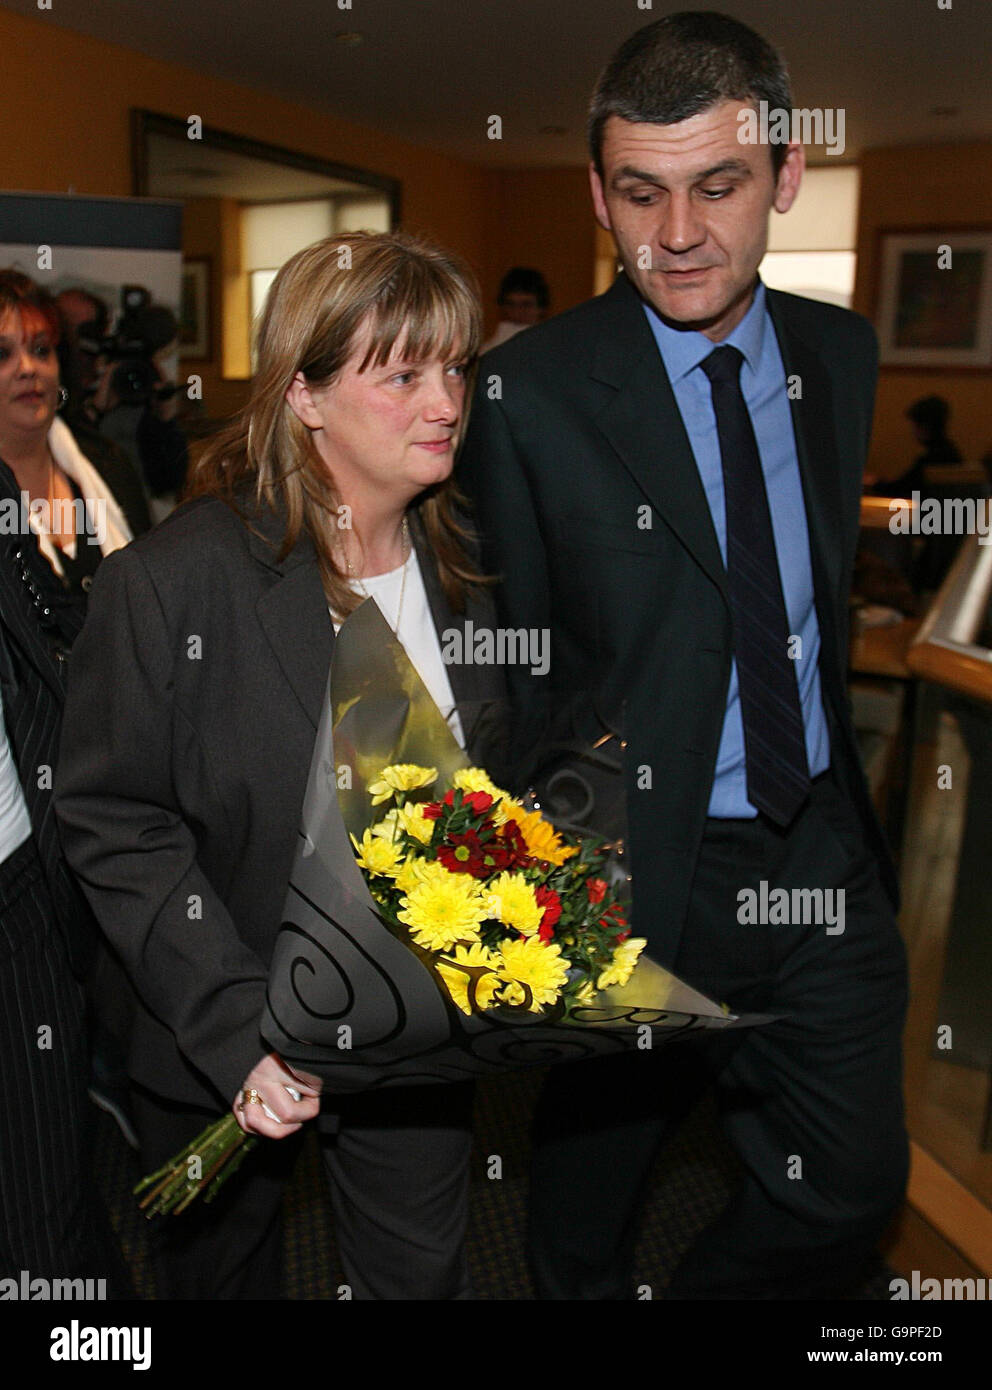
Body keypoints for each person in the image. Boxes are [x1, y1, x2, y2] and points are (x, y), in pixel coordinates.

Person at [459, 11, 908, 1300]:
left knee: (853, 1184)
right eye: (641, 193)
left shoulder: (839, 352)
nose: (677, 234)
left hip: (819, 848)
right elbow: (517, 666)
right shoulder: (528, 393)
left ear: (784, 176)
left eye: (718, 186)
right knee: (582, 1222)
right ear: (597, 194)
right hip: (638, 874)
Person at [55, 231, 506, 1300]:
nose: (445, 402)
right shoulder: (174, 584)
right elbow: (118, 820)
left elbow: (476, 793)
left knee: (418, 1278)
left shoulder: (466, 569)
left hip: (414, 1034)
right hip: (222, 1033)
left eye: (455, 368)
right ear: (303, 394)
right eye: (402, 374)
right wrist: (237, 1025)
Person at [0, 275, 128, 1289]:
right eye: (4, 352)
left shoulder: (92, 477)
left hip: (77, 839)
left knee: (53, 1164)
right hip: (34, 845)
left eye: (39, 348)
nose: (28, 371)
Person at [481, 267, 550, 353]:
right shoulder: (488, 349)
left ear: (541, 308)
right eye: (510, 304)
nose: (517, 312)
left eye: (526, 305)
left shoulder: (551, 345)